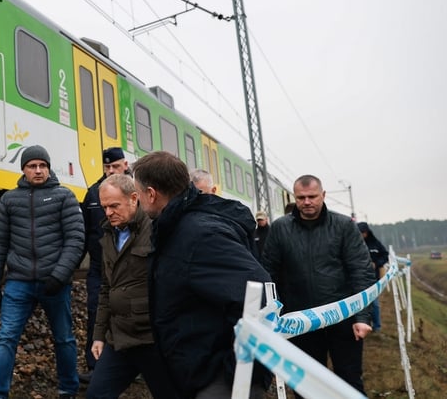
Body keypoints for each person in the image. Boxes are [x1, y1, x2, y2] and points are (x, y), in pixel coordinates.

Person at [131, 151, 271, 398]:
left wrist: (237, 372)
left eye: (138, 193)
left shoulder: (199, 235)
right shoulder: (176, 227)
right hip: (198, 371)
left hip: (219, 379)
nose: (138, 200)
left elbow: (259, 294)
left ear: (151, 194)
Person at [261, 174, 376, 396]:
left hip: (343, 318)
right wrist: (273, 317)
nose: (306, 202)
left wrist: (362, 317)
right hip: (301, 322)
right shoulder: (280, 228)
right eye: (301, 197)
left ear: (323, 195)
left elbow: (361, 271)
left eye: (312, 196)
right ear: (294, 198)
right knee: (306, 385)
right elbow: (269, 273)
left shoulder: (344, 226)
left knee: (349, 380)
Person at [0, 145, 85, 399]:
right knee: (6, 337)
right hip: (19, 282)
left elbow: (75, 240)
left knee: (63, 338)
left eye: (43, 166)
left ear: (49, 169)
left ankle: (68, 389)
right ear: (24, 170)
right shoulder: (9, 200)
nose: (38, 170)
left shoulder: (65, 196)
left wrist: (59, 276)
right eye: (32, 166)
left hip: (55, 282)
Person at [85, 173, 177, 398]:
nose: (108, 213)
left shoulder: (157, 230)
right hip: (119, 340)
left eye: (114, 206)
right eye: (105, 207)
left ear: (134, 198)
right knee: (96, 395)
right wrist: (98, 336)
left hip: (152, 341)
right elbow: (107, 289)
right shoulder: (108, 234)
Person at [78, 147, 129, 383]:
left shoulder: (138, 191)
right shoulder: (92, 194)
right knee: (95, 313)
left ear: (125, 165)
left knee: (132, 314)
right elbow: (84, 232)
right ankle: (95, 367)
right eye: (106, 167)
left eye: (115, 166)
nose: (110, 171)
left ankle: (132, 365)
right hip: (100, 268)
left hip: (132, 268)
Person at [357, 221, 389, 331]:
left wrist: (377, 263)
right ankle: (362, 325)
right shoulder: (353, 243)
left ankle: (377, 327)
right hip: (356, 279)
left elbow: (385, 255)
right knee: (359, 304)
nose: (361, 235)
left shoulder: (375, 244)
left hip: (372, 279)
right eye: (359, 232)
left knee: (374, 304)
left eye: (363, 232)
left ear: (367, 232)